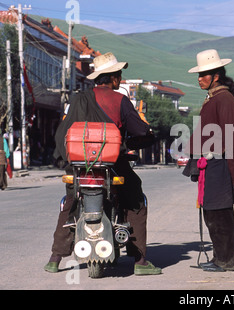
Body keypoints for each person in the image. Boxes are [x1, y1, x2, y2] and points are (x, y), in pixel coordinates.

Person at [44, 52, 161, 275]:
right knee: (136, 200)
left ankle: (54, 258)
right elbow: (140, 130)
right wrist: (137, 140)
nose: (120, 78)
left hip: (79, 166)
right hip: (114, 165)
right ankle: (140, 261)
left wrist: (63, 159)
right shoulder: (120, 101)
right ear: (113, 77)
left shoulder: (78, 99)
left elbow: (63, 132)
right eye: (119, 74)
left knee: (70, 202)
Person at [183, 49, 234, 272]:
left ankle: (226, 260)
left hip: (220, 164)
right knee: (211, 211)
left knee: (220, 213)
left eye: (204, 75)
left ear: (216, 76)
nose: (199, 79)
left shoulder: (225, 100)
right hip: (211, 164)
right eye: (199, 76)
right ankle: (220, 257)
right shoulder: (214, 98)